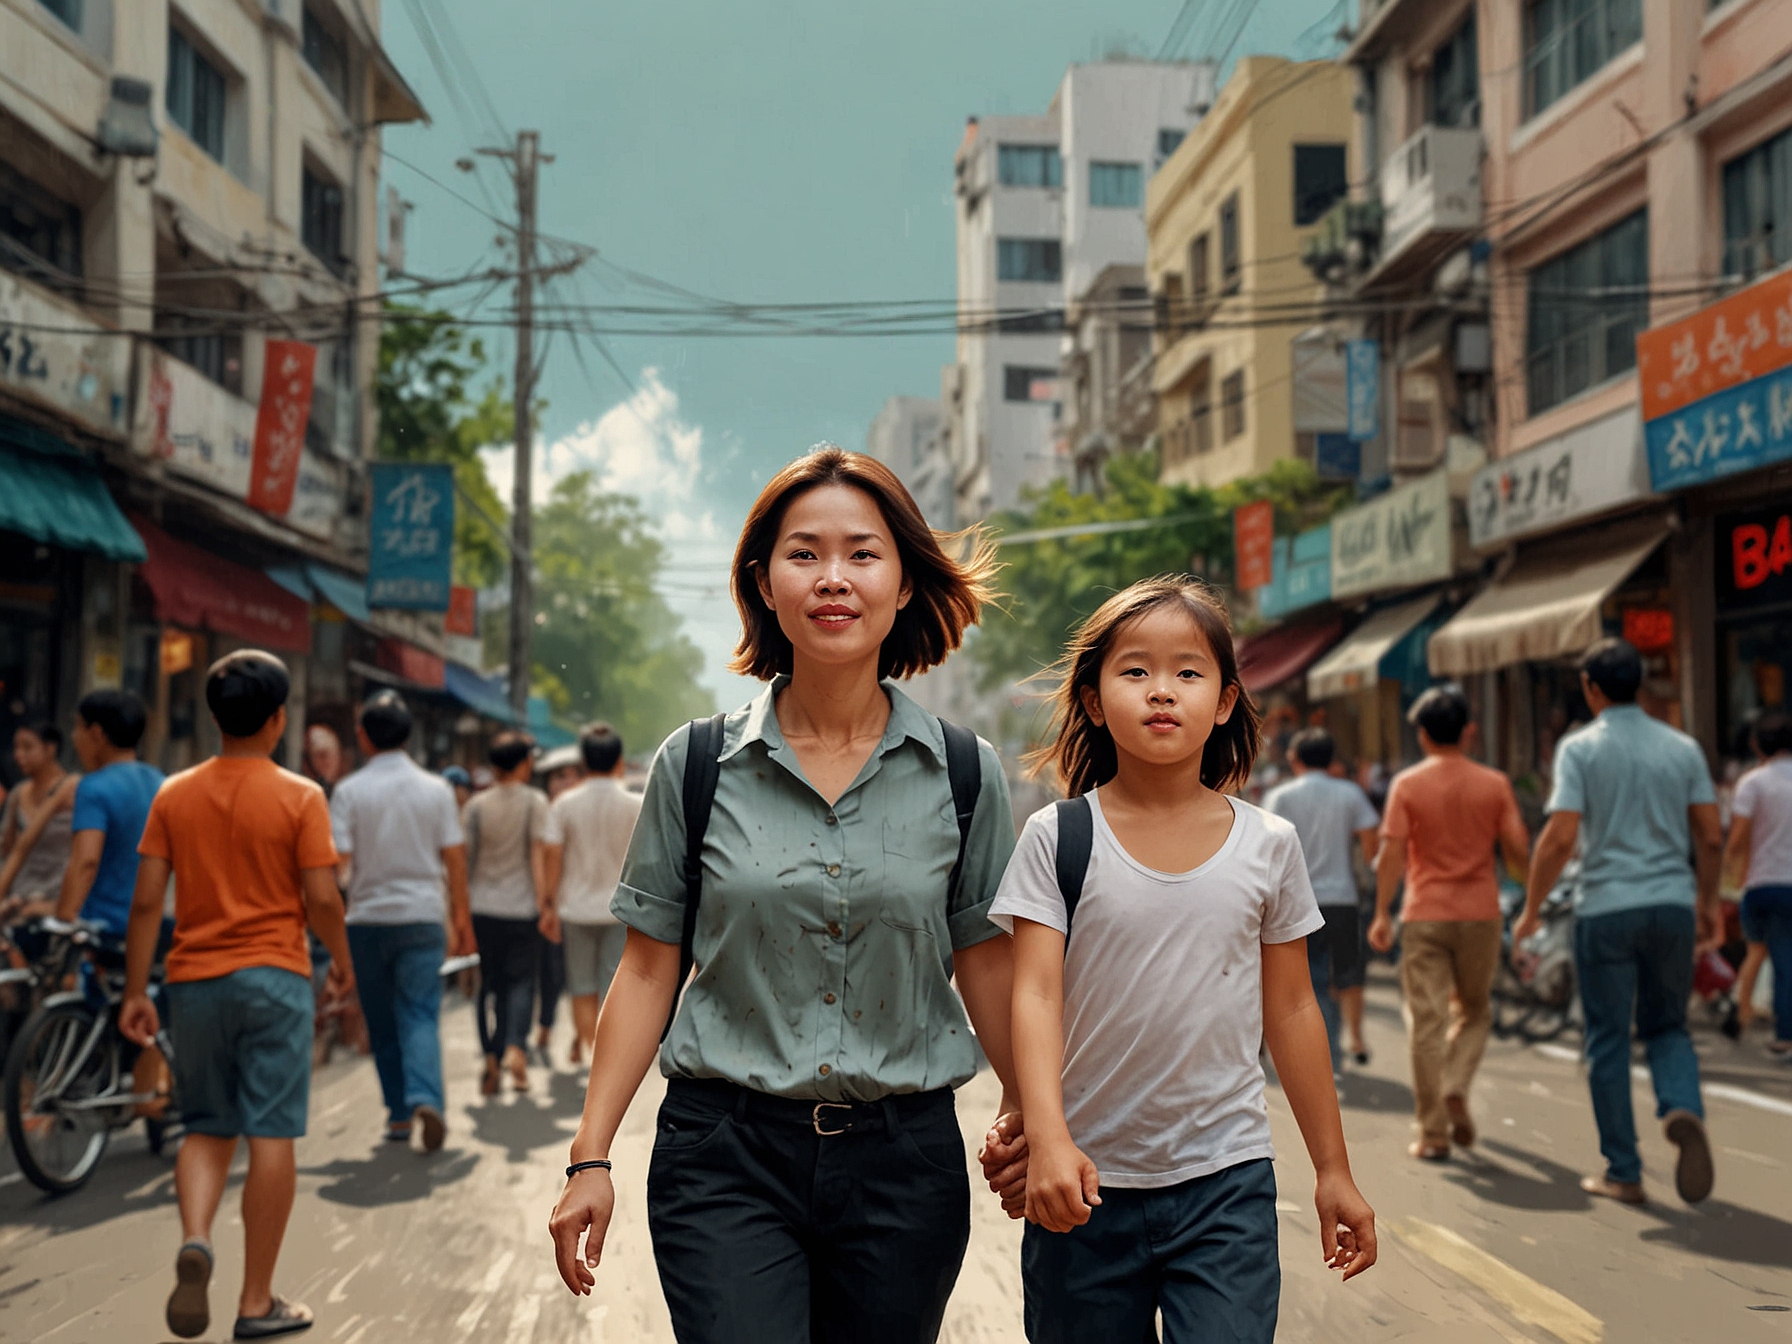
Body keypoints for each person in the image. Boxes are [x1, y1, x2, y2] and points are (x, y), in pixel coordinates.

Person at [548, 447, 1022, 1344]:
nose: (833, 578)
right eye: (804, 553)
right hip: (723, 1155)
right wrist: (590, 1156)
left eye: (863, 553)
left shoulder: (963, 773)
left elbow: (988, 965)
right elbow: (649, 971)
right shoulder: (694, 764)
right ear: (765, 583)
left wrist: (1032, 1108)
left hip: (905, 1164)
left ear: (906, 581)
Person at [996, 577, 1375, 1343]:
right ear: (1096, 700)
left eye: (1188, 672)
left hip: (1225, 1185)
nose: (1161, 691)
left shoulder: (1269, 845)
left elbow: (1295, 1009)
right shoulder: (1058, 837)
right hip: (1085, 1187)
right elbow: (1035, 997)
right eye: (1134, 671)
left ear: (1227, 699)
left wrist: (1332, 1168)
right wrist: (1047, 1138)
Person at [118, 651, 352, 1341]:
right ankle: (255, 1301)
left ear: (214, 714)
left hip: (192, 981)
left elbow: (143, 904)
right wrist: (341, 965)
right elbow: (320, 899)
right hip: (276, 979)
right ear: (279, 719)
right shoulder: (302, 796)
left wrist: (137, 989)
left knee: (206, 1128)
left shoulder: (173, 794)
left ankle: (197, 1239)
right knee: (271, 1134)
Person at [1517, 638, 1723, 1205]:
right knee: (1668, 1026)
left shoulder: (1579, 749)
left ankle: (1624, 1171)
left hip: (1606, 909)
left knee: (1607, 1038)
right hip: (1672, 908)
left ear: (1591, 688)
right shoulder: (1682, 748)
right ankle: (1680, 1103)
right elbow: (1709, 833)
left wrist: (1532, 910)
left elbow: (1559, 837)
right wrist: (1707, 903)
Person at [1369, 685, 1529, 1163]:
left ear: (1422, 735)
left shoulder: (1408, 785)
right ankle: (1456, 1084)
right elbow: (1519, 850)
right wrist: (1527, 889)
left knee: (1427, 1022)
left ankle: (1433, 1132)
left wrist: (1381, 911)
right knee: (1476, 1011)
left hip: (1425, 913)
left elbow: (1391, 853)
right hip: (1481, 912)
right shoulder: (1495, 784)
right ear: (1470, 732)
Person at [329, 692, 476, 1150]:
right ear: (409, 735)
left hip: (367, 919)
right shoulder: (435, 790)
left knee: (380, 1017)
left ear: (362, 737)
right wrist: (461, 918)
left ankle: (397, 1115)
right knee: (418, 1012)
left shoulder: (349, 791)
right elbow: (454, 860)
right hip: (422, 916)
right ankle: (426, 1097)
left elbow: (339, 862)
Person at [1264, 728, 1380, 1071]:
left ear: (1294, 759)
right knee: (1348, 972)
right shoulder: (1350, 794)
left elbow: (1268, 849)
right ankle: (1354, 1038)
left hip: (1295, 901)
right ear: (1331, 760)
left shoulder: (1280, 796)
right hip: (1342, 898)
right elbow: (1371, 845)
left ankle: (1308, 1049)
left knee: (1302, 980)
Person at [540, 723, 642, 1068]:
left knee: (581, 986)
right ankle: (608, 1059)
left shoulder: (564, 805)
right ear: (619, 760)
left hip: (576, 909)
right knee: (613, 987)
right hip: (620, 911)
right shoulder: (636, 804)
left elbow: (552, 857)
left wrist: (549, 905)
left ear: (583, 760)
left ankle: (592, 1050)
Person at [464, 730, 550, 1095]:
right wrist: (545, 902)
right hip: (521, 907)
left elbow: (465, 861)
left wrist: (458, 911)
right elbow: (536, 855)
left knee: (489, 985)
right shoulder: (534, 801)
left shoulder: (476, 806)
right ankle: (516, 1045)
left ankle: (490, 1056)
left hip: (482, 907)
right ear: (523, 763)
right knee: (520, 982)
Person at [53, 690, 164, 934]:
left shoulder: (93, 787)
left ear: (96, 734)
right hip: (149, 928)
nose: (73, 737)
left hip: (101, 928)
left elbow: (86, 861)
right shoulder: (161, 782)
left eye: (77, 727)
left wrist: (62, 918)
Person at [1725, 712, 1792, 1057]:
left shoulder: (1752, 783)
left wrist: (1732, 872)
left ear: (1757, 745)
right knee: (1784, 957)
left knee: (1758, 951)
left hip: (1761, 884)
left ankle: (1742, 1011)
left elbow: (1737, 839)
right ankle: (1783, 1035)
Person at [0, 723, 79, 910]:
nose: (19, 754)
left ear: (50, 748)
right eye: (16, 748)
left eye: (27, 747)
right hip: (19, 894)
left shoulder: (72, 790)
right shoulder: (19, 793)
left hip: (55, 896)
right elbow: (8, 849)